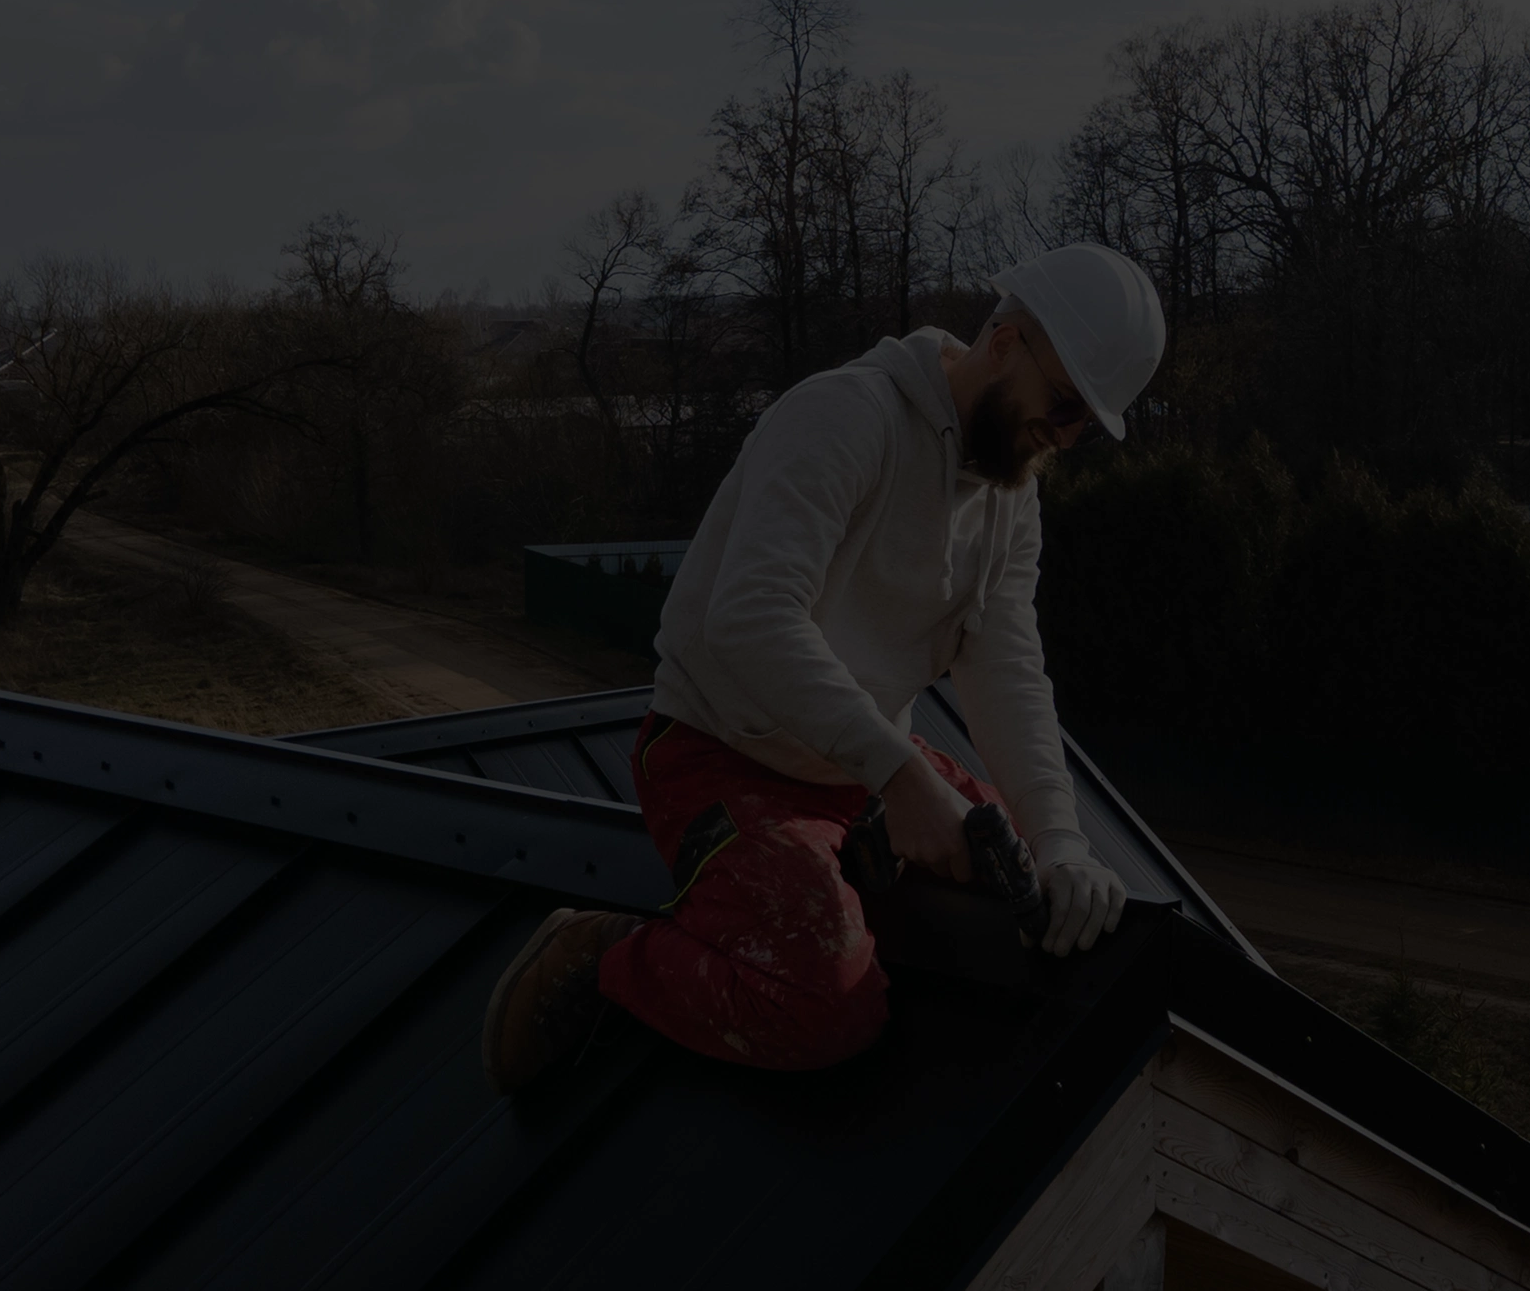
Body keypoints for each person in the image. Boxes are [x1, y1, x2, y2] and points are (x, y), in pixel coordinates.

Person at [480, 243, 1166, 1090]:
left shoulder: (1008, 494)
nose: (1061, 438)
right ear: (1006, 340)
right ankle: (601, 954)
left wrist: (1060, 841)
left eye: (1084, 429)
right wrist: (905, 779)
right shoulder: (847, 417)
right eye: (1063, 406)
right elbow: (751, 620)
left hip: (860, 773)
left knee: (1025, 897)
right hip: (720, 756)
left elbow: (1008, 668)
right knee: (824, 1011)